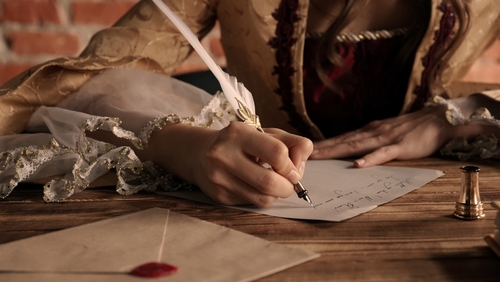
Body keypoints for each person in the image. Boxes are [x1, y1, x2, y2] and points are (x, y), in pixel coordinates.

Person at [1, 0, 500, 206]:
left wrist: (452, 117)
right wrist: (177, 142)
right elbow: (73, 84)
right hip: (249, 201)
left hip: (428, 202)